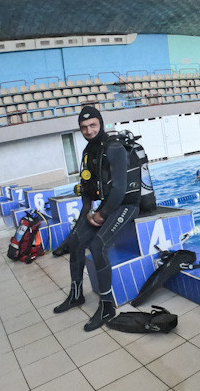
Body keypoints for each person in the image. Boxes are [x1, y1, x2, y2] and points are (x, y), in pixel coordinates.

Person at [53, 106, 141, 331]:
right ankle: (75, 295)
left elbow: (120, 191)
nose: (89, 130)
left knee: (97, 244)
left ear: (100, 123)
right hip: (106, 205)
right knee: (76, 241)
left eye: (93, 125)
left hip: (126, 205)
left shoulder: (114, 149)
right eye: (84, 127)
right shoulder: (88, 152)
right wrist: (83, 220)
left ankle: (107, 306)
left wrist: (100, 215)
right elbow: (88, 191)